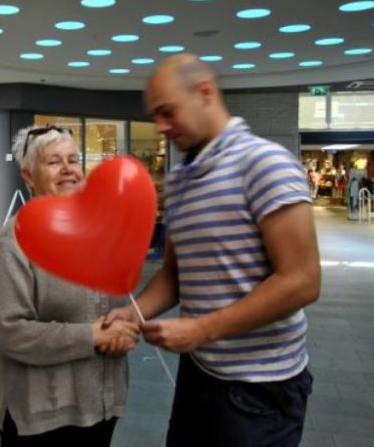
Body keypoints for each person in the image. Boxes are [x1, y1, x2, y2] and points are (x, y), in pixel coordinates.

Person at [106, 54, 321, 446]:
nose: (161, 127)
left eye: (167, 112)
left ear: (204, 93)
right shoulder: (179, 181)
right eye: (156, 115)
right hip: (200, 373)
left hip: (260, 389)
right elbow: (175, 273)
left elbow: (303, 281)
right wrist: (134, 313)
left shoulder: (266, 163)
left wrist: (202, 329)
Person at [0, 124, 140, 446]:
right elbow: (9, 331)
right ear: (29, 177)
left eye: (73, 159)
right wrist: (92, 335)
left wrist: (123, 326)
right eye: (54, 161)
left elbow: (117, 305)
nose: (68, 169)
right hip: (45, 415)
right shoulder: (15, 240)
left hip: (101, 403)